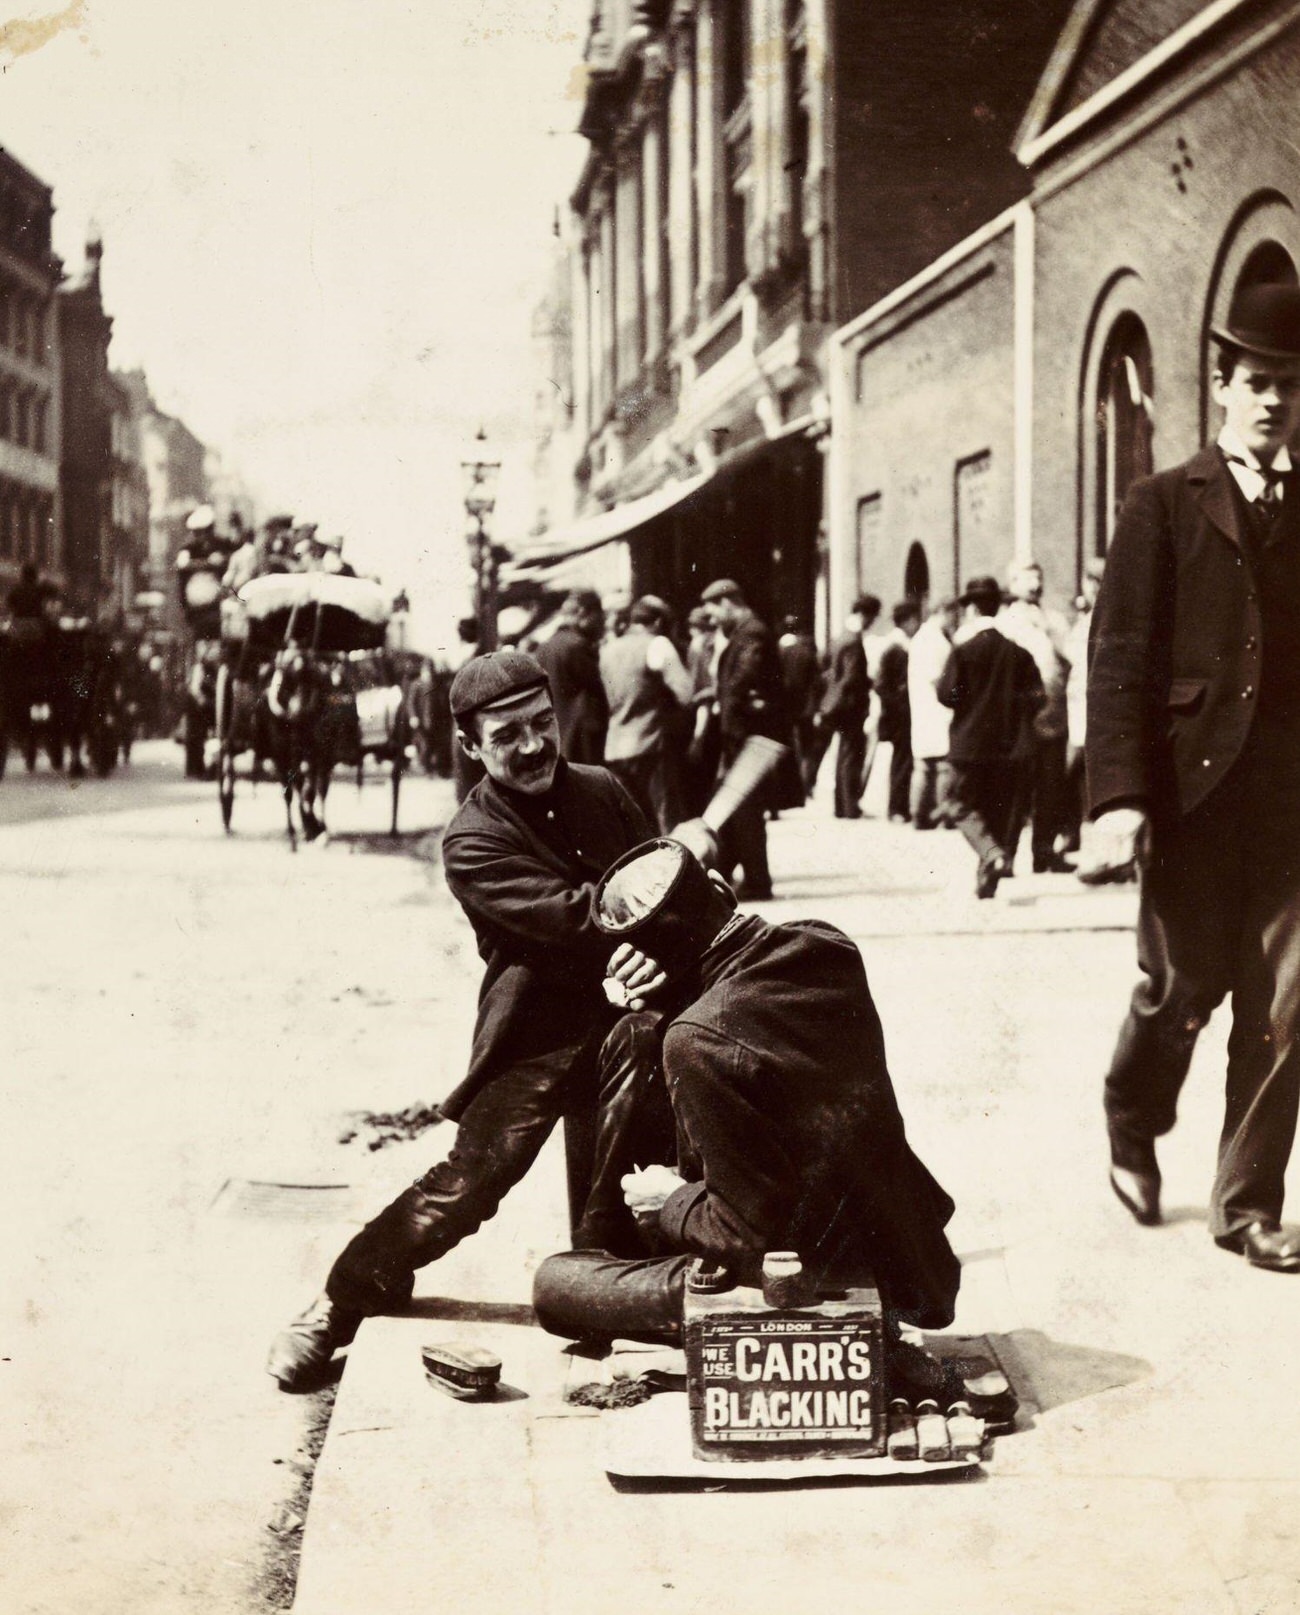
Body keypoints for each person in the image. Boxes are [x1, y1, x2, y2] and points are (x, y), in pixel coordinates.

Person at [266, 651, 667, 1389]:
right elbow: (581, 915)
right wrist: (651, 910)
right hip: (538, 1032)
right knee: (469, 1186)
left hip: (633, 1018)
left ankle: (605, 1296)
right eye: (508, 734)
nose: (534, 745)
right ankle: (339, 1299)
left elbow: (664, 889)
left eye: (543, 723)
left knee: (658, 1136)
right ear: (471, 746)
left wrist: (657, 955)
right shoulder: (471, 838)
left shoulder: (606, 789)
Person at [532, 838, 961, 1346]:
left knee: (554, 1284)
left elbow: (743, 1233)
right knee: (635, 1033)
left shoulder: (694, 1042)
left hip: (800, 1277)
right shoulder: (825, 944)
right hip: (899, 1256)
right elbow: (756, 1032)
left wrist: (670, 1200)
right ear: (721, 889)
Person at [1088, 282, 1300, 1271]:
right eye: (1256, 382)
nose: (1273, 403)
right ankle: (1132, 1114)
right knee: (1182, 990)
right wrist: (1122, 797)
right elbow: (1121, 656)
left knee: (1288, 1001)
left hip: (1288, 807)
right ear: (1220, 385)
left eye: (1291, 386)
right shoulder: (1160, 504)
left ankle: (1246, 1204)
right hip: (1191, 797)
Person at [937, 576, 1044, 899]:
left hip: (969, 747)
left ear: (970, 609)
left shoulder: (963, 652)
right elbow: (1038, 696)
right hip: (1010, 747)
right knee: (997, 810)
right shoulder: (1018, 654)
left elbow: (946, 695)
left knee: (958, 804)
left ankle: (991, 855)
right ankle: (989, 876)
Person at [699, 579, 791, 900]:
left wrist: (730, 703)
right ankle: (730, 871)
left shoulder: (752, 632)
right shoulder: (746, 631)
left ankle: (757, 880)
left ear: (727, 602)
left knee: (747, 807)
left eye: (713, 610)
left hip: (748, 731)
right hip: (742, 728)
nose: (712, 619)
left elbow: (746, 674)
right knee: (738, 803)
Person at [998, 560, 1073, 872]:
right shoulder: (1007, 622)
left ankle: (1044, 850)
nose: (1035, 582)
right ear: (1012, 581)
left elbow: (1070, 658)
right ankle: (1007, 854)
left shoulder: (1054, 620)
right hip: (1021, 720)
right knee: (1016, 790)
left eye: (1038, 575)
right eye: (1027, 576)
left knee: (1051, 787)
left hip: (1054, 716)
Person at [599, 594, 694, 832]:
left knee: (633, 823)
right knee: (667, 820)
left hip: (616, 747)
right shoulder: (658, 644)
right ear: (660, 622)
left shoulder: (608, 649)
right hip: (652, 744)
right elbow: (685, 693)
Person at [816, 595, 878, 819]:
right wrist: (869, 683)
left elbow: (827, 669)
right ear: (865, 615)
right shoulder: (853, 640)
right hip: (851, 706)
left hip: (837, 705)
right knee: (853, 755)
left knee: (843, 754)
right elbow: (851, 677)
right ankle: (850, 806)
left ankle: (841, 806)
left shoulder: (838, 637)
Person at [535, 589, 609, 764]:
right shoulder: (578, 645)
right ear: (584, 613)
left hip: (560, 734)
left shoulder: (545, 647)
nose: (602, 623)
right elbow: (600, 687)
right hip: (584, 735)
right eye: (599, 616)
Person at [1062, 559, 1105, 857]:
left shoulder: (1104, 617)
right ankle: (1072, 834)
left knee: (1085, 774)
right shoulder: (1084, 619)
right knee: (1074, 776)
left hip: (1093, 709)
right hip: (1076, 707)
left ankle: (1087, 841)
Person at [908, 597, 959, 829]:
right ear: (942, 611)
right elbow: (939, 677)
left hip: (922, 707)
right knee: (943, 765)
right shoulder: (935, 640)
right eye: (951, 614)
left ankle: (918, 814)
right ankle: (942, 815)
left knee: (923, 764)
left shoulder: (920, 637)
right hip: (937, 708)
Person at [876, 600, 921, 822]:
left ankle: (899, 807)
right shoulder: (896, 647)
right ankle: (897, 808)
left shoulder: (900, 644)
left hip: (900, 713)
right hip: (899, 715)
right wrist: (899, 704)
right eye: (915, 620)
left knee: (903, 761)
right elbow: (882, 684)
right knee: (902, 761)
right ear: (906, 621)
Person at [777, 614, 823, 794]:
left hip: (784, 708)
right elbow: (816, 682)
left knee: (784, 747)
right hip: (805, 708)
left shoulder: (776, 651)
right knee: (807, 749)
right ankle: (806, 786)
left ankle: (786, 788)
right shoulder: (805, 651)